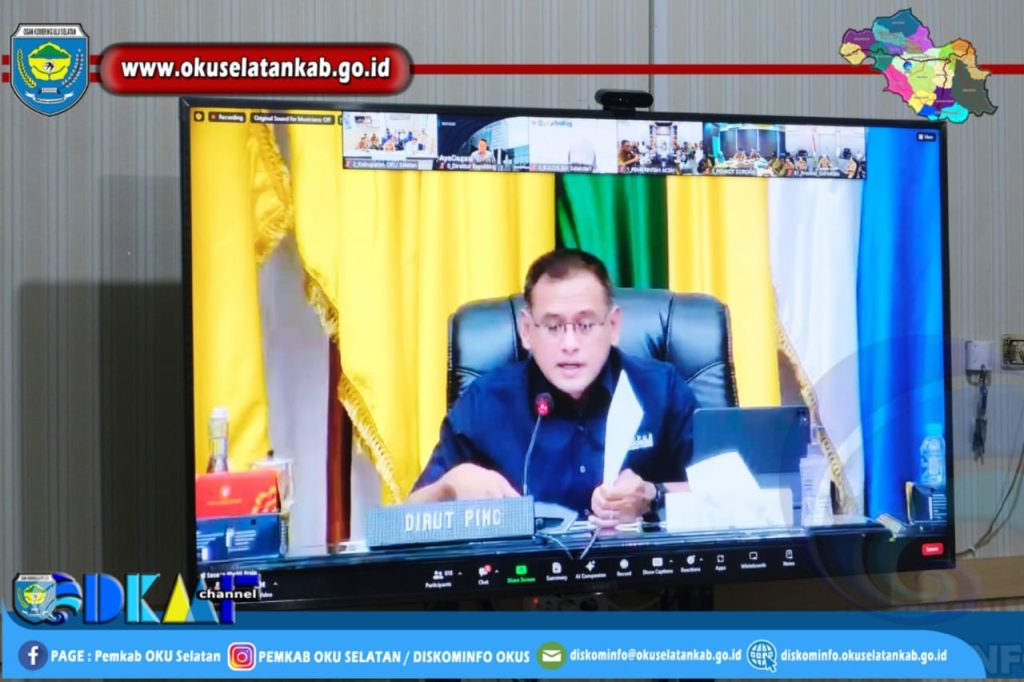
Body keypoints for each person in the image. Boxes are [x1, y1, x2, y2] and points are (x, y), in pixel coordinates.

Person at [406, 249, 697, 527]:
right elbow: (404, 521)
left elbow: (720, 493)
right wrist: (448, 486)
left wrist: (654, 495)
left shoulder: (662, 390)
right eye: (553, 326)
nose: (570, 344)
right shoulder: (485, 403)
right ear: (526, 331)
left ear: (613, 326)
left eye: (585, 325)